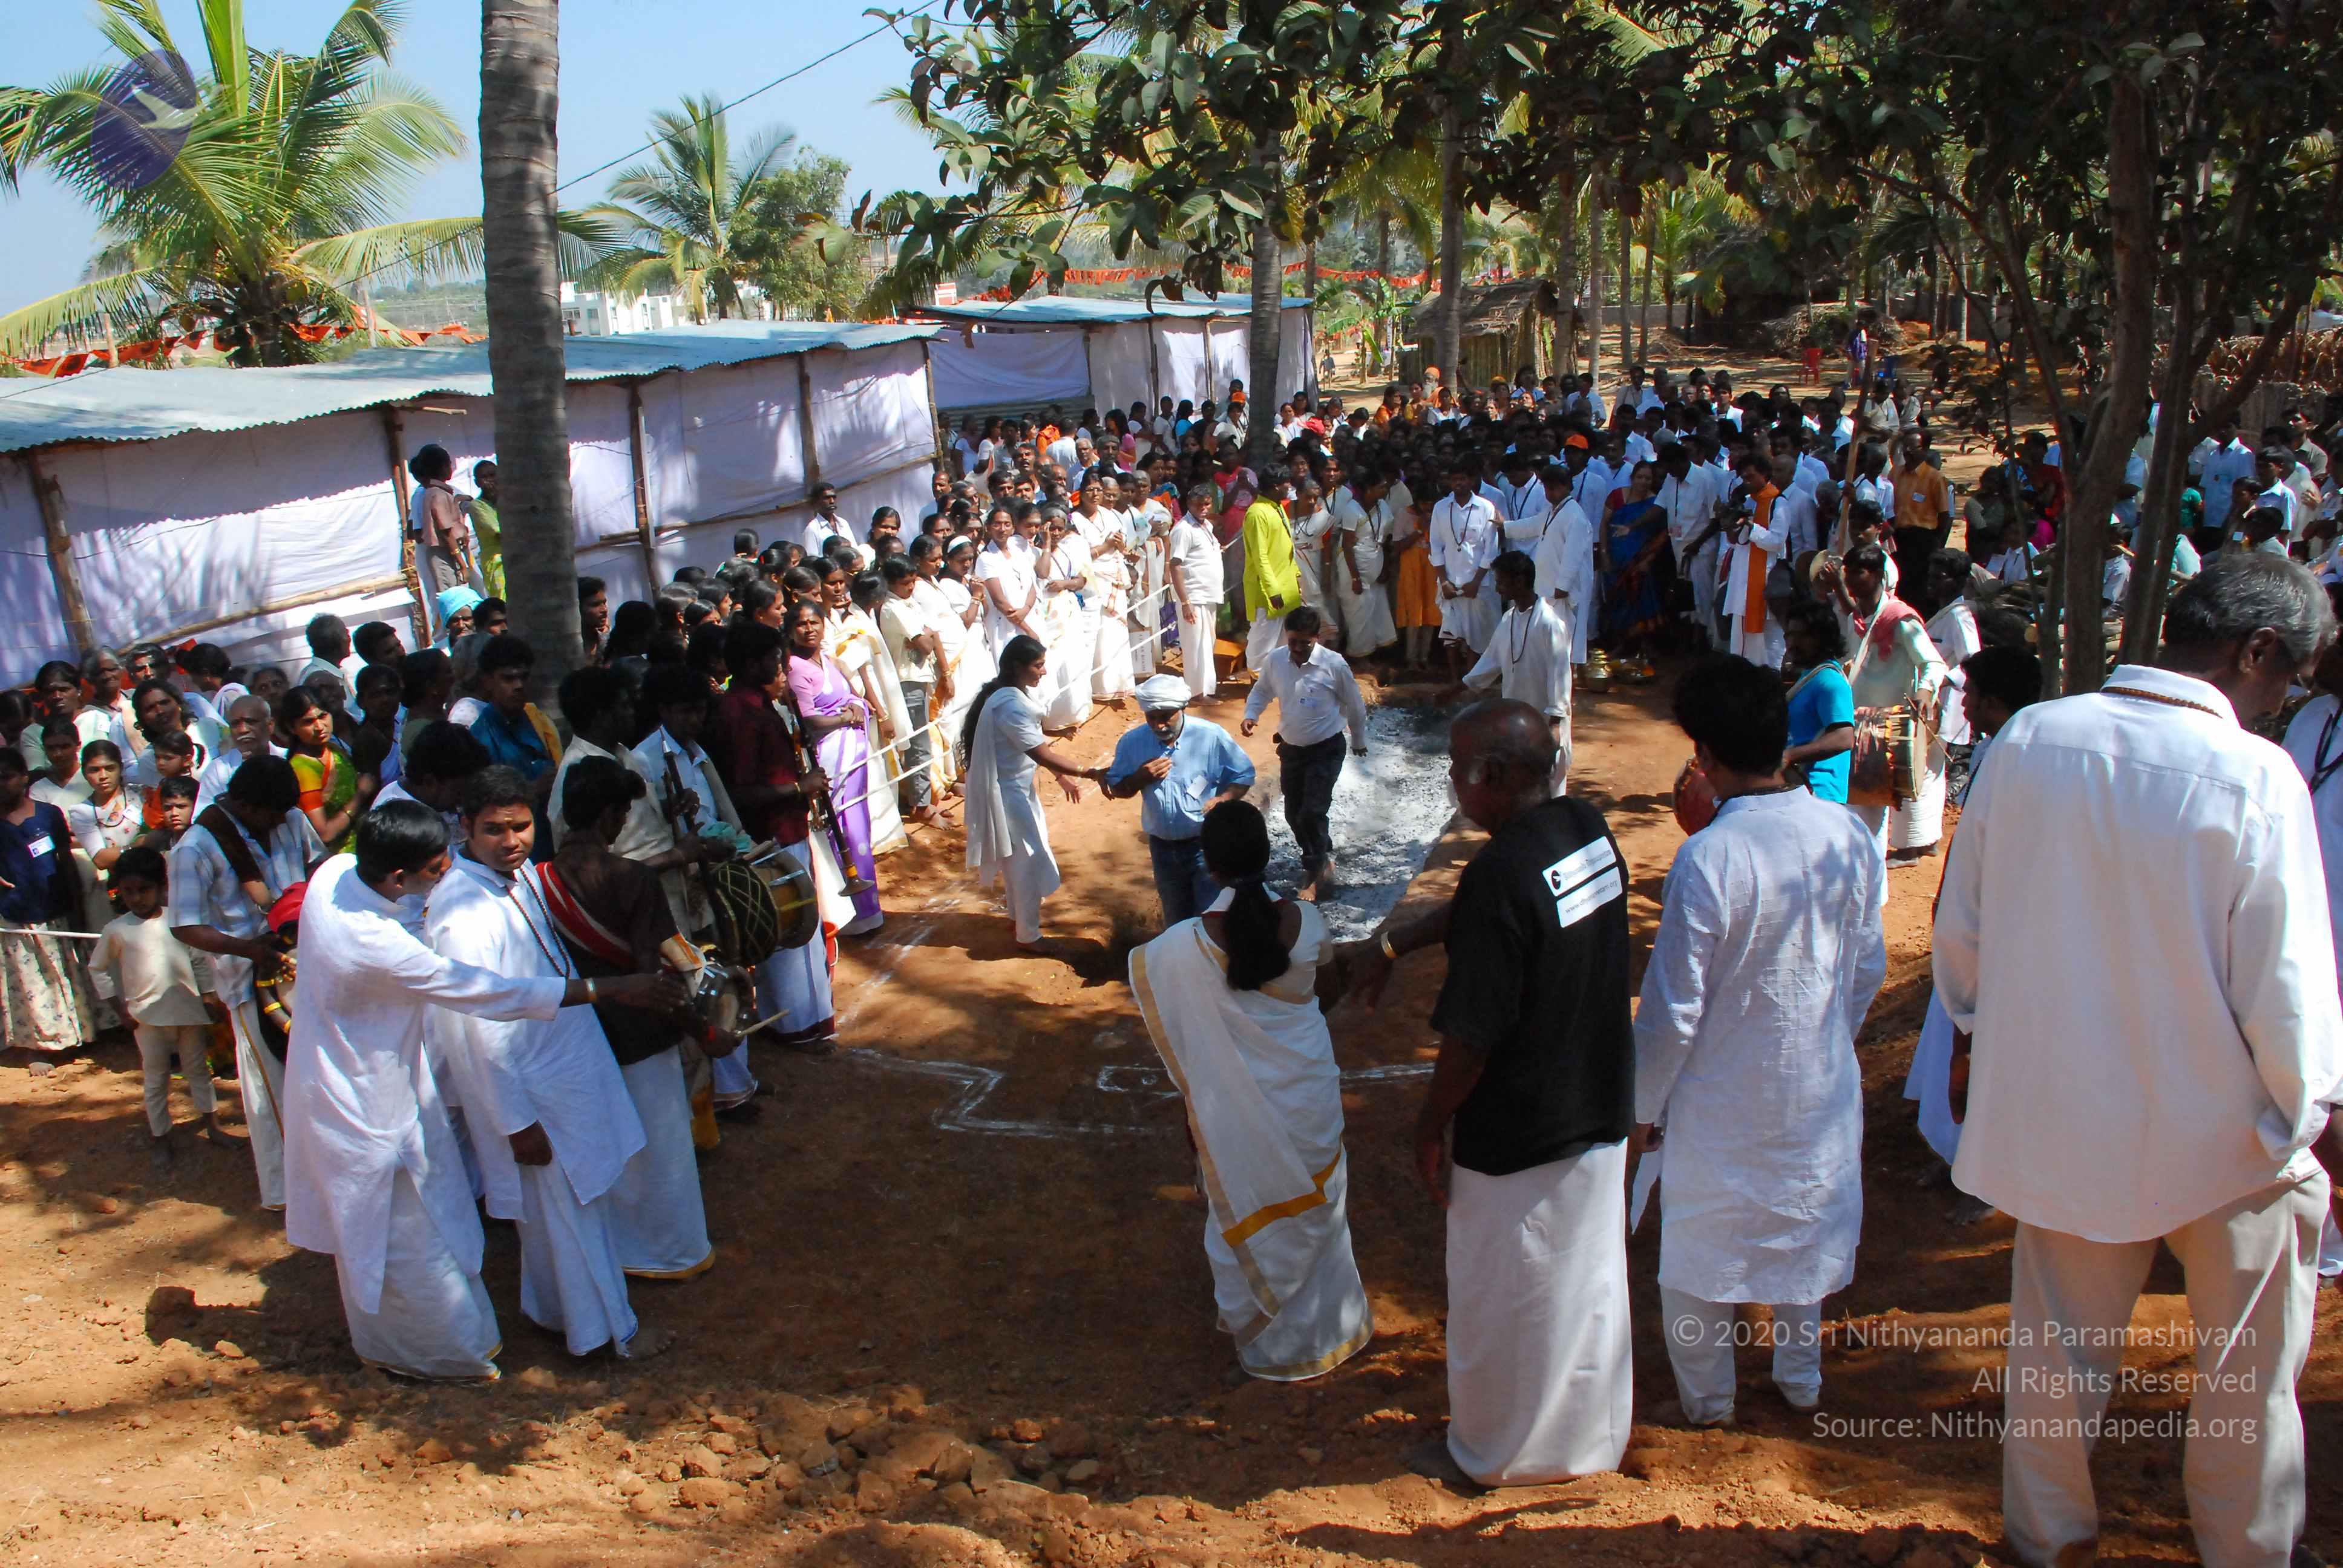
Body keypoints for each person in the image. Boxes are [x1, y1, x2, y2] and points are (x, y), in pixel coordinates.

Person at [1934, 555, 2342, 1568]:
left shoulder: (2031, 741)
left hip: (2065, 1114)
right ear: (2255, 651)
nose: (2283, 701)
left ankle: (2046, 1542)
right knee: (2248, 1377)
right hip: (2229, 1139)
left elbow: (1963, 934)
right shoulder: (2256, 776)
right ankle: (2248, 1552)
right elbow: (2285, 989)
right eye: (2287, 677)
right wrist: (2306, 1120)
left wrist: (1990, 1040)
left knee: (2056, 1356)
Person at [283, 802, 679, 1379]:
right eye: (435, 870)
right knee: (403, 1239)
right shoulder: (379, 944)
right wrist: (611, 988)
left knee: (431, 1217)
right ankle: (443, 1356)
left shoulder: (336, 875)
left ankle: (438, 1342)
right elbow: (490, 995)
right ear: (398, 877)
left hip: (371, 1079)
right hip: (367, 1104)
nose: (448, 873)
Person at [1372, 702, 1634, 1487]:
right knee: (1581, 1291)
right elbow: (1511, 910)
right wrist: (1395, 941)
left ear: (1488, 776)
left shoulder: (1499, 874)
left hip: (1518, 1133)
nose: (1452, 783)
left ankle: (1490, 1455)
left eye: (1456, 770)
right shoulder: (1582, 826)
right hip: (1597, 1107)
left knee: (1502, 1301)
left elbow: (1472, 1035)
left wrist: (1430, 1126)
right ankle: (1584, 1442)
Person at [1635, 656, 1887, 1425]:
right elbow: (1866, 965)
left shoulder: (1710, 855)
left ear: (1704, 758)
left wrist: (1640, 1110)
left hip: (1719, 1097)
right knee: (1803, 1225)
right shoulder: (1845, 833)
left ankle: (1708, 1402)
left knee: (1699, 1250)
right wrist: (1828, 1038)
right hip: (1817, 1084)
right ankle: (1800, 1378)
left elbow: (1672, 1013)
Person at [425, 768, 677, 1361]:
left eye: (520, 826)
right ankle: (608, 1336)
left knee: (560, 1215)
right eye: (494, 830)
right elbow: (476, 1028)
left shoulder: (517, 880)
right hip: (531, 1091)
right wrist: (516, 1121)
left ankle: (552, 1311)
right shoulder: (461, 912)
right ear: (465, 827)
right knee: (570, 1216)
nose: (511, 841)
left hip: (562, 1071)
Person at [1129, 800, 1372, 1381]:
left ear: (1209, 866)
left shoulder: (1177, 948)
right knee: (1323, 1213)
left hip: (1232, 1118)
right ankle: (1334, 1332)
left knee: (1244, 1203)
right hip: (1309, 1101)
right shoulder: (1307, 923)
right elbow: (1325, 993)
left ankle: (1270, 1348)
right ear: (1267, 855)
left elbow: (1190, 1042)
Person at [542, 756, 723, 1273]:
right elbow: (657, 978)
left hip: (581, 1032)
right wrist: (706, 1030)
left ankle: (616, 1249)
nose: (623, 824)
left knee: (605, 1145)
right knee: (662, 1147)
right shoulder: (632, 878)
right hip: (641, 1036)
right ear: (608, 815)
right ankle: (672, 1252)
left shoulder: (538, 880)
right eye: (622, 814)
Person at [168, 756, 323, 1208]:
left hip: (307, 966)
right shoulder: (196, 847)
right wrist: (251, 950)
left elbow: (318, 866)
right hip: (247, 979)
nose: (280, 822)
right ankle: (288, 1194)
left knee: (315, 1077)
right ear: (246, 805)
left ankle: (326, 1175)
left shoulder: (290, 819)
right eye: (272, 815)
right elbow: (185, 926)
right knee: (271, 1086)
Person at [960, 635, 1096, 947]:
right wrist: (1090, 772)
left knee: (1017, 859)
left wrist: (1061, 779)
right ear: (1017, 667)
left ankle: (1017, 918)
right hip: (1008, 797)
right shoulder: (1010, 707)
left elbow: (1034, 744)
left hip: (1015, 791)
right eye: (1038, 666)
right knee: (1028, 860)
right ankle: (1029, 935)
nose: (1044, 672)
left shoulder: (1010, 696)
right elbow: (1041, 753)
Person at [97, 845, 226, 1165]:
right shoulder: (117, 930)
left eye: (144, 889)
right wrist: (120, 1010)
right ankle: (160, 1137)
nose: (136, 898)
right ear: (119, 890)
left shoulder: (178, 922)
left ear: (162, 886)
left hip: (188, 1010)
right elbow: (97, 969)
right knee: (156, 1077)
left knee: (198, 1070)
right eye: (128, 891)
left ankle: (214, 1126)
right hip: (146, 1018)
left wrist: (209, 996)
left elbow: (198, 959)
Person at [1820, 541, 1949, 860]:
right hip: (1856, 723)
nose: (1850, 579)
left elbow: (1933, 664)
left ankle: (1873, 880)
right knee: (1854, 808)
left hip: (1884, 731)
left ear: (1878, 575)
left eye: (1858, 573)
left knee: (1871, 811)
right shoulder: (1857, 617)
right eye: (1848, 572)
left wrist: (1924, 692)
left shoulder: (1900, 619)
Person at [1102, 674, 1256, 924]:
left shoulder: (1210, 736)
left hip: (1206, 846)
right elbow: (1118, 788)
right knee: (1177, 921)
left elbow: (1244, 774)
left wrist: (1224, 798)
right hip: (1163, 851)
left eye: (1166, 717)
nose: (1159, 725)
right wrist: (1139, 778)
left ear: (1182, 708)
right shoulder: (1132, 743)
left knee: (1211, 919)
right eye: (1151, 718)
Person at [1240, 607, 1368, 898]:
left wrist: (1359, 740)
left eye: (1304, 643)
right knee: (1293, 813)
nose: (1297, 649)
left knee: (1312, 811)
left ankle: (1315, 869)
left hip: (1326, 749)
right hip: (1292, 751)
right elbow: (1262, 690)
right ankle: (1322, 852)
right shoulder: (1275, 660)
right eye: (1293, 642)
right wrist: (1251, 714)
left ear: (1317, 637)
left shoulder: (1334, 665)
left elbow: (1355, 704)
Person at [785, 601, 883, 936]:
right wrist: (845, 718)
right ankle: (851, 914)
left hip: (852, 759)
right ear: (791, 630)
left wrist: (856, 706)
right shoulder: (796, 668)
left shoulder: (825, 659)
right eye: (801, 624)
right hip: (830, 762)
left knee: (859, 829)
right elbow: (809, 720)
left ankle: (868, 910)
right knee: (842, 831)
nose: (809, 629)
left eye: (814, 622)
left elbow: (852, 695)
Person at [0, 745, 95, 1056]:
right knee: (30, 984)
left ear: (24, 778)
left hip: (55, 910)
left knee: (64, 975)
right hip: (16, 915)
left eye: (6, 777)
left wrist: (77, 907)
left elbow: (66, 862)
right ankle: (40, 1046)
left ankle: (77, 1035)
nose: (1, 784)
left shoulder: (48, 815)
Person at [1456, 553, 1573, 787]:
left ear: (1519, 581)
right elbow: (1489, 662)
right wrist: (1456, 689)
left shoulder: (1550, 624)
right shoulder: (1508, 619)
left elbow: (1560, 677)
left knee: (1548, 792)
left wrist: (1554, 728)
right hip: (1516, 725)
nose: (1497, 589)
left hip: (1545, 725)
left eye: (1501, 582)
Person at [1781, 603, 1858, 803]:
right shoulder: (1810, 677)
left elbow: (1844, 738)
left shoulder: (1829, 681)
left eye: (1803, 636)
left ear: (1823, 638)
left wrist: (1789, 756)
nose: (1793, 643)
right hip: (1802, 791)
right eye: (1790, 635)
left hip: (1820, 793)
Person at [1430, 461, 1502, 673]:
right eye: (1454, 479)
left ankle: (1471, 679)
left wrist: (1476, 582)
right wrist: (1444, 581)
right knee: (1451, 633)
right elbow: (1436, 547)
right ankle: (1455, 679)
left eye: (1462, 479)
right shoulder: (1441, 507)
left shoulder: (1486, 507)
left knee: (1477, 634)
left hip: (1478, 583)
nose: (1458, 483)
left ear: (1472, 481)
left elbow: (1491, 550)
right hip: (1450, 580)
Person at [280, 687, 371, 855]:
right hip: (339, 859)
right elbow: (325, 834)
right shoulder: (303, 769)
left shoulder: (333, 749)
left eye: (323, 716)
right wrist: (361, 795)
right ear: (292, 728)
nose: (319, 726)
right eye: (308, 722)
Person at [1720, 454, 1788, 667]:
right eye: (1744, 478)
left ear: (1765, 474)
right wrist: (1729, 523)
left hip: (1766, 581)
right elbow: (1737, 542)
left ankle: (1770, 678)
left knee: (1770, 643)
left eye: (1750, 477)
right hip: (1743, 581)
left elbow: (1776, 541)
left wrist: (1751, 526)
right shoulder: (1748, 502)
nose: (1746, 482)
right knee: (1741, 640)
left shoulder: (1779, 503)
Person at [1168, 485, 1226, 699]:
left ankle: (1206, 690)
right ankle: (1197, 693)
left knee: (1207, 644)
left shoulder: (1206, 526)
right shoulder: (1183, 530)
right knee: (1196, 646)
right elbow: (1175, 565)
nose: (1203, 508)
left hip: (1208, 595)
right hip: (1194, 597)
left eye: (1207, 504)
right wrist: (1185, 602)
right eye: (1198, 505)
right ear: (1189, 505)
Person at [1240, 481, 1303, 672]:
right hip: (1267, 590)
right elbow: (1260, 556)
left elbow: (1287, 547)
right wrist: (1273, 590)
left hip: (1286, 586)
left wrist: (1296, 576)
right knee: (1262, 642)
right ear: (1276, 486)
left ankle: (1277, 680)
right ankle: (1256, 683)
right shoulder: (1257, 513)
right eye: (1287, 485)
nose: (1290, 489)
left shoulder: (1277, 507)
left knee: (1283, 642)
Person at [407, 445, 480, 599]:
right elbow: (446, 532)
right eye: (449, 464)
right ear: (442, 468)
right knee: (455, 600)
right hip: (445, 554)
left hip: (450, 552)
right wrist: (462, 564)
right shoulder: (436, 494)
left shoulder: (442, 492)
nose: (451, 468)